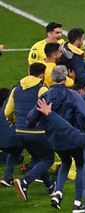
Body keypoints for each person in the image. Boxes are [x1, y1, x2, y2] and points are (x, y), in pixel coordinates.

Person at [27, 65, 85, 212]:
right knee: (81, 166)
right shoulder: (72, 94)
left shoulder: (45, 96)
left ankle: (57, 194)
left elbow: (32, 118)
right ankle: (78, 203)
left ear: (51, 78)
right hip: (73, 137)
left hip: (54, 140)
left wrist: (32, 123)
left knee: (65, 161)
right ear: (66, 78)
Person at [4, 63, 55, 201]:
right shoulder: (41, 88)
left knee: (38, 159)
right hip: (37, 131)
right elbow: (47, 108)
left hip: (20, 131)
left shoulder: (16, 89)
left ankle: (50, 187)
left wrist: (14, 121)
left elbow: (7, 111)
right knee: (48, 158)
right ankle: (24, 182)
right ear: (41, 75)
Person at [0, 88, 24, 187]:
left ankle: (7, 178)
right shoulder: (17, 107)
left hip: (3, 143)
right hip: (13, 141)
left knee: (15, 152)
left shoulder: (3, 109)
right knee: (38, 154)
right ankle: (28, 179)